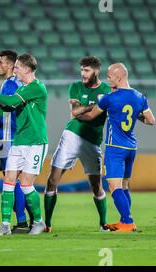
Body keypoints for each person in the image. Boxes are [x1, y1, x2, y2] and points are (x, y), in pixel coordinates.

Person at [73, 63, 155, 232]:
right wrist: (134, 113)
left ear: (119, 77)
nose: (107, 78)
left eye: (109, 76)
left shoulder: (110, 98)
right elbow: (150, 120)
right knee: (124, 186)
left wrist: (78, 116)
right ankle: (125, 219)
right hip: (131, 147)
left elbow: (91, 115)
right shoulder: (139, 97)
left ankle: (127, 222)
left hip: (115, 147)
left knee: (113, 186)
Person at [0, 53, 48, 236]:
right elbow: (7, 109)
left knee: (26, 184)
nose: (14, 71)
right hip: (19, 141)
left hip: (35, 142)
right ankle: (5, 225)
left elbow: (11, 102)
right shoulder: (23, 88)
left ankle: (38, 222)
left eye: (17, 67)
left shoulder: (36, 87)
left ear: (27, 69)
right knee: (8, 180)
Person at [44, 56, 112, 232]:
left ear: (96, 72)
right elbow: (74, 112)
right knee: (52, 180)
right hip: (72, 135)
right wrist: (98, 105)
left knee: (96, 186)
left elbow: (84, 111)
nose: (83, 74)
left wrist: (85, 108)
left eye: (87, 70)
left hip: (93, 140)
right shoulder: (75, 86)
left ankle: (103, 224)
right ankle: (48, 224)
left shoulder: (107, 89)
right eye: (82, 70)